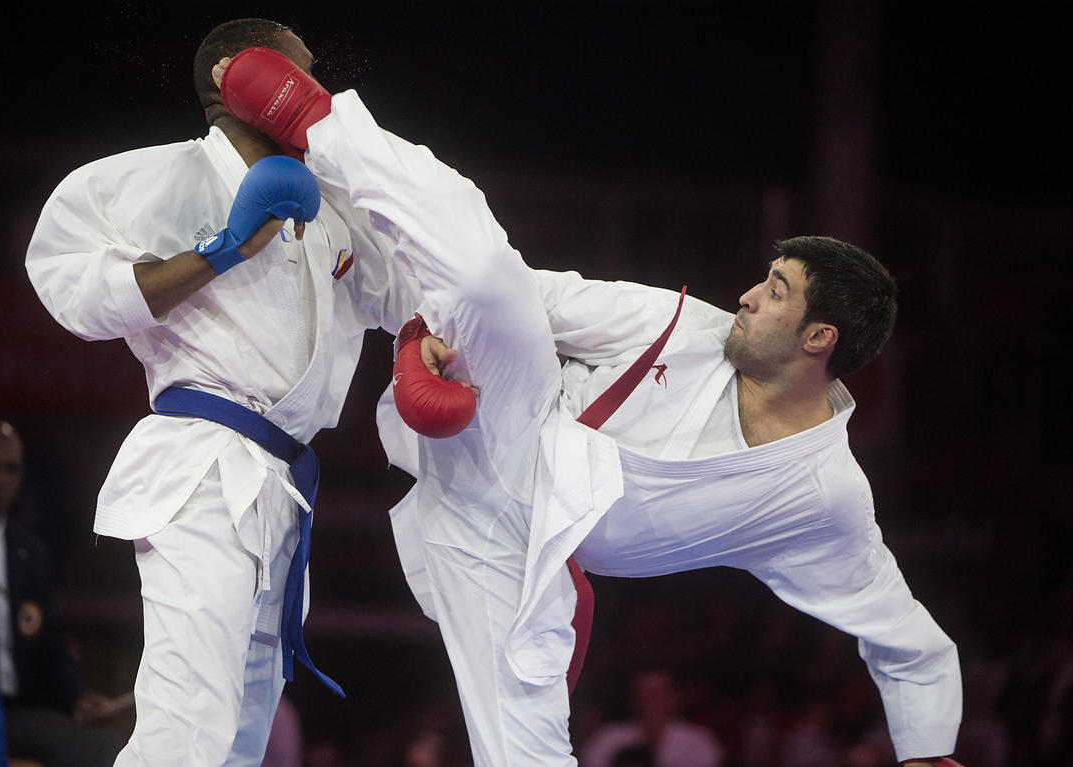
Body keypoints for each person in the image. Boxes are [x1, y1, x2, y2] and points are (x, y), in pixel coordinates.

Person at [215, 49, 965, 767]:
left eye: (775, 291)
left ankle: (349, 240)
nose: (747, 294)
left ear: (819, 338)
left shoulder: (822, 492)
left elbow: (898, 625)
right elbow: (531, 300)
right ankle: (315, 122)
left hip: (514, 554)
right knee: (484, 276)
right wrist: (424, 335)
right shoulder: (687, 327)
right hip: (507, 419)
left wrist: (927, 744)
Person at [24, 18, 422, 767]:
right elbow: (71, 286)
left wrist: (435, 327)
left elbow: (409, 291)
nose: (313, 93)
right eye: (297, 73)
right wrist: (220, 251)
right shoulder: (153, 178)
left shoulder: (328, 205)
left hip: (284, 485)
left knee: (242, 736)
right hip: (203, 464)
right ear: (234, 77)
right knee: (189, 725)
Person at [0, 418, 125, 766]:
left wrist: (75, 697)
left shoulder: (30, 552)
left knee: (100, 747)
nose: (0, 480)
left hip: (12, 708)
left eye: (11, 469)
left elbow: (47, 645)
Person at [580, 667, 723, 767]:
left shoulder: (700, 742)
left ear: (675, 698)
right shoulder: (608, 739)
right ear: (634, 699)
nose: (653, 701)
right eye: (645, 694)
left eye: (659, 694)